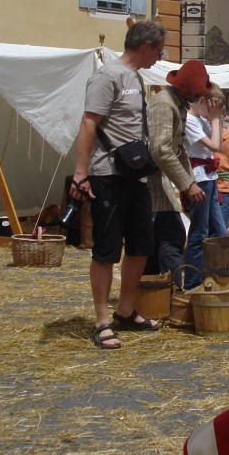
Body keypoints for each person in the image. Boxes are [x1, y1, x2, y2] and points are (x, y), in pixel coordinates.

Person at [69, 20, 166, 350]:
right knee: (107, 249)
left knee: (141, 245)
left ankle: (125, 311)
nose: (160, 56)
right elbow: (88, 123)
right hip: (107, 174)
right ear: (146, 46)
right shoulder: (107, 76)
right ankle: (101, 322)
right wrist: (81, 173)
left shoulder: (136, 77)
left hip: (135, 174)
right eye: (159, 50)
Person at [147, 60, 213, 290]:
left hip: (162, 182)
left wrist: (190, 182)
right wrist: (188, 184)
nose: (200, 96)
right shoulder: (164, 104)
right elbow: (160, 149)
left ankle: (158, 294)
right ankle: (170, 293)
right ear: (187, 89)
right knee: (169, 237)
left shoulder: (177, 105)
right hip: (151, 182)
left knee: (161, 240)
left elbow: (179, 149)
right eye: (198, 91)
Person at [183, 81, 225, 285]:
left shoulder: (201, 119)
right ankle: (193, 282)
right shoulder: (189, 121)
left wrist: (217, 120)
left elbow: (219, 142)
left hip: (210, 178)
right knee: (199, 233)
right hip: (199, 178)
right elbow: (215, 145)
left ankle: (212, 276)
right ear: (201, 101)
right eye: (211, 107)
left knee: (219, 232)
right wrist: (214, 120)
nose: (212, 112)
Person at [210, 85, 229, 236]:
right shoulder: (204, 135)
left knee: (220, 227)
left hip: (225, 186)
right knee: (211, 226)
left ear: (224, 116)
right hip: (208, 185)